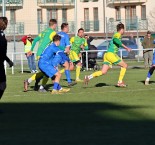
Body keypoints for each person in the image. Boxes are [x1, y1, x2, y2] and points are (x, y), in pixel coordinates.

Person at [84, 23, 131, 87]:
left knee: (103, 71)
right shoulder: (118, 34)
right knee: (124, 65)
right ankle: (120, 82)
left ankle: (88, 77)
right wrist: (126, 47)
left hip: (107, 55)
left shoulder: (115, 35)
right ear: (122, 29)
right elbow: (116, 40)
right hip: (111, 54)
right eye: (124, 30)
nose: (124, 31)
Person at [24, 19, 57, 92]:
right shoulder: (53, 33)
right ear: (54, 25)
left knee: (45, 72)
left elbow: (35, 40)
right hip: (45, 54)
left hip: (39, 53)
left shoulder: (43, 32)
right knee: (48, 71)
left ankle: (31, 82)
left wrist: (31, 50)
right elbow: (56, 43)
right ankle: (40, 87)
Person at [0, 17, 13, 110]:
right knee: (2, 84)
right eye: (6, 23)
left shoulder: (2, 35)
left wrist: (8, 60)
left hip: (0, 63)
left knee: (2, 85)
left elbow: (2, 53)